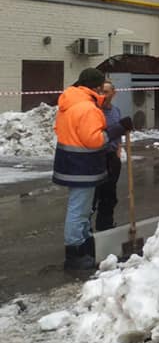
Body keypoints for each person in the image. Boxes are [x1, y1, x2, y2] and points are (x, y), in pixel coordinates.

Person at [53, 68, 132, 270]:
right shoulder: (88, 108)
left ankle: (85, 245)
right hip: (83, 166)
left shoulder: (69, 103)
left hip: (70, 163)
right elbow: (95, 141)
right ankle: (74, 253)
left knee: (82, 208)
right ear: (96, 87)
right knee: (79, 210)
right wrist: (117, 129)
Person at [93, 80, 123, 232]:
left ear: (113, 93)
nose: (102, 95)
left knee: (110, 195)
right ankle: (85, 232)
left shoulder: (116, 111)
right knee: (94, 194)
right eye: (100, 91)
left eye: (106, 92)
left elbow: (118, 135)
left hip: (112, 158)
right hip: (97, 157)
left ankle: (105, 226)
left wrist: (118, 151)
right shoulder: (95, 111)